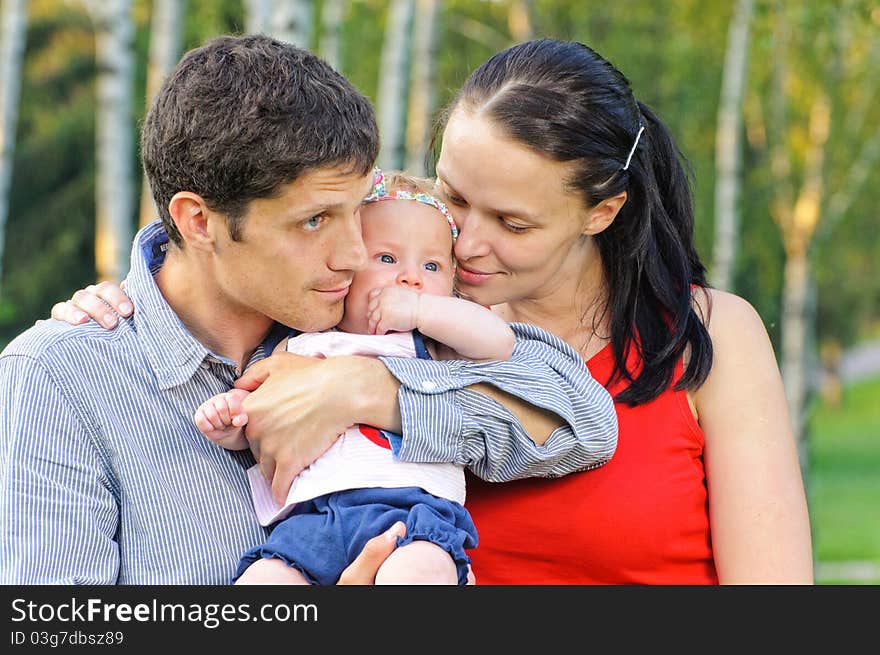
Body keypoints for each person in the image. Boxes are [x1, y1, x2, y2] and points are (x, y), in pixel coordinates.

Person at [50, 37, 814, 584]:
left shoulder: (711, 336)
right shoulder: (372, 305)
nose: (467, 243)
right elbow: (253, 234)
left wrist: (367, 392)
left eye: (512, 223)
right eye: (452, 197)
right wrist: (137, 288)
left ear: (601, 212)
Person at [0, 35, 617, 585]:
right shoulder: (59, 379)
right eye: (315, 220)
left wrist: (365, 389)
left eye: (357, 211)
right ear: (199, 220)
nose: (354, 253)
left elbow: (586, 421)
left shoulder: (359, 320)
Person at [200, 170, 515, 585]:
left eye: (433, 265)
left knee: (415, 574)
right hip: (312, 519)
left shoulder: (434, 346)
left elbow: (499, 343)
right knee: (263, 579)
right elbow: (267, 418)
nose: (411, 277)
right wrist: (234, 420)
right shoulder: (302, 344)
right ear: (346, 267)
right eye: (387, 259)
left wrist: (421, 312)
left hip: (412, 514)